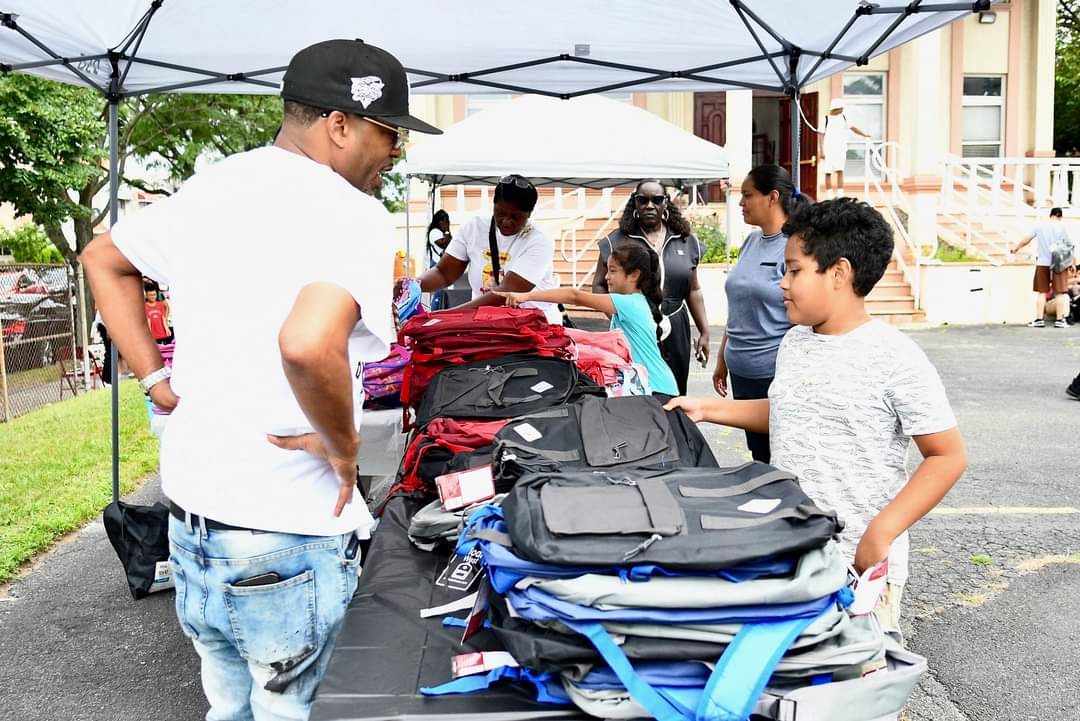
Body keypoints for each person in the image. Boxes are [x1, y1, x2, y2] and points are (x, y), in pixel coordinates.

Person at [82, 39, 441, 721]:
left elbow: (104, 259)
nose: (395, 151)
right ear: (341, 124)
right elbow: (307, 344)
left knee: (230, 707)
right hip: (285, 527)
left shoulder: (211, 187)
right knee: (293, 710)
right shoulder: (352, 212)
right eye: (389, 132)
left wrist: (156, 379)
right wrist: (343, 445)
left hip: (193, 516)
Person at [666, 198, 967, 642]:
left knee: (856, 678)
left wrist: (882, 531)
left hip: (857, 561)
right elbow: (795, 412)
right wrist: (708, 409)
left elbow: (947, 456)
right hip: (791, 543)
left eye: (793, 270)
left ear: (840, 274)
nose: (781, 283)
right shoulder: (795, 342)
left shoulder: (894, 357)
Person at [713, 165, 810, 463]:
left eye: (747, 195)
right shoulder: (751, 241)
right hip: (742, 373)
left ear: (773, 197)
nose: (740, 203)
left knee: (782, 457)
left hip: (773, 373)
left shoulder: (793, 247)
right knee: (759, 455)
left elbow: (806, 314)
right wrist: (722, 360)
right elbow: (739, 307)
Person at [498, 243, 678, 396]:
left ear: (634, 275)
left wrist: (526, 296)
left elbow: (574, 296)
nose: (606, 276)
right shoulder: (633, 304)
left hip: (656, 389)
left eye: (613, 271)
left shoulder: (629, 303)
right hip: (649, 387)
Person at [592, 180, 709, 394]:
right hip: (635, 327)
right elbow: (599, 285)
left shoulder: (685, 240)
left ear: (666, 203)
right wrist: (620, 317)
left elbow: (694, 290)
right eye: (642, 200)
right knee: (636, 390)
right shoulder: (616, 241)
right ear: (634, 204)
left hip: (675, 325)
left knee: (674, 390)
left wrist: (704, 332)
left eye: (656, 200)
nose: (649, 205)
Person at [418, 175, 561, 323]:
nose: (506, 221)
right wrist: (413, 286)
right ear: (493, 205)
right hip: (484, 324)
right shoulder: (474, 227)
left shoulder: (539, 240)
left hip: (531, 326)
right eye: (501, 212)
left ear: (529, 214)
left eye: (516, 217)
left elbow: (505, 293)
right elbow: (444, 273)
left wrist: (446, 317)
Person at [1011, 207, 1074, 328]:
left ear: (1051, 215)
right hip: (1059, 264)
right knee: (1060, 293)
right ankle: (1060, 320)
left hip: (1042, 263)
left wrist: (1016, 248)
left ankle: (1039, 319)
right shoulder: (1063, 227)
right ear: (1060, 216)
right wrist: (1071, 263)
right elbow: (1069, 246)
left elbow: (1026, 240)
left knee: (1042, 292)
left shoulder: (1039, 226)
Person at [817, 98, 871, 198]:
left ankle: (840, 194)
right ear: (835, 108)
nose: (842, 110)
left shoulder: (844, 117)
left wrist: (864, 134)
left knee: (840, 170)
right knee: (827, 172)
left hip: (840, 149)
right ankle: (829, 195)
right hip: (828, 149)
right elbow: (820, 135)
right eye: (841, 108)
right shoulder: (825, 119)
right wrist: (821, 150)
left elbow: (853, 128)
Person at [143, 278, 172, 344]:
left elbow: (164, 313)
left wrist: (166, 327)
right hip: (153, 333)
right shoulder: (145, 305)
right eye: (151, 295)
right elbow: (148, 320)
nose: (153, 296)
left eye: (154, 295)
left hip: (161, 330)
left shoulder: (160, 301)